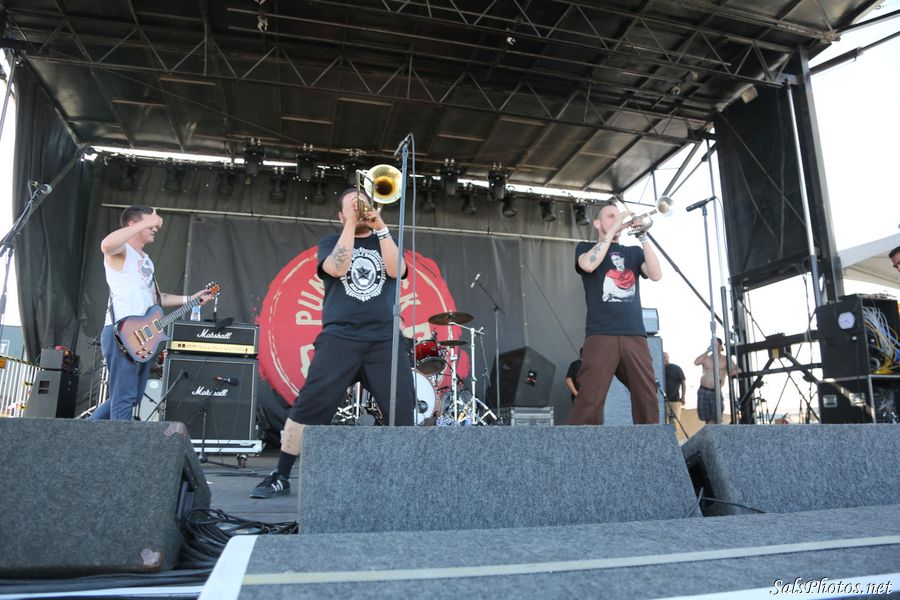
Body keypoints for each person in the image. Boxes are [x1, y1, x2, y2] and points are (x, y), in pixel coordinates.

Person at [251, 188, 416, 499]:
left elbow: (397, 271)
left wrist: (380, 226)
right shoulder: (331, 242)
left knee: (402, 408)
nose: (359, 209)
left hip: (384, 338)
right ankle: (281, 475)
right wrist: (352, 224)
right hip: (340, 337)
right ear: (341, 216)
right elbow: (337, 268)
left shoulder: (386, 241)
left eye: (363, 204)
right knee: (309, 405)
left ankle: (404, 476)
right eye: (352, 207)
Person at [92, 205, 212, 421]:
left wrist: (191, 299)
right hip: (122, 333)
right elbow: (106, 245)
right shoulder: (121, 251)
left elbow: (158, 298)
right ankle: (119, 442)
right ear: (133, 224)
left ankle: (82, 431)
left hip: (144, 336)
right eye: (150, 224)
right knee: (124, 397)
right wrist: (147, 221)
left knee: (132, 396)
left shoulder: (147, 260)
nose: (155, 227)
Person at [568, 201, 662, 425]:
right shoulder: (584, 248)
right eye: (611, 216)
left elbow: (656, 274)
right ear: (597, 223)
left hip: (634, 335)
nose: (618, 219)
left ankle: (651, 443)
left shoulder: (633, 252)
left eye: (618, 216)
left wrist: (643, 236)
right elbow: (588, 265)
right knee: (590, 398)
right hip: (601, 334)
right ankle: (581, 444)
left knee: (647, 395)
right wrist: (611, 232)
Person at [693, 337, 740, 424]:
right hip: (703, 390)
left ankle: (716, 429)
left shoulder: (726, 359)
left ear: (720, 346)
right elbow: (696, 362)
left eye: (716, 345)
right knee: (705, 416)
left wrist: (731, 373)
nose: (714, 346)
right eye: (712, 344)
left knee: (717, 416)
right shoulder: (706, 358)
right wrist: (707, 351)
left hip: (716, 391)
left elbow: (738, 369)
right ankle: (710, 429)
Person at [663, 352, 686, 423]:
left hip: (675, 401)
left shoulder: (676, 368)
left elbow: (683, 383)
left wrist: (683, 397)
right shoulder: (659, 370)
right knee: (664, 422)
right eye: (663, 357)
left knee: (675, 422)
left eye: (665, 357)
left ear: (668, 357)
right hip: (663, 402)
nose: (664, 359)